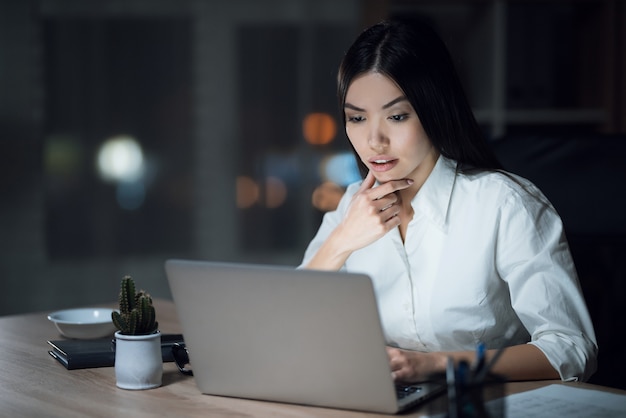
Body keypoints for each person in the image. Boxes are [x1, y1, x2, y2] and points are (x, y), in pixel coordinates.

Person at [299, 20, 597, 383]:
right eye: (357, 118)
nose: (374, 140)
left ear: (434, 110)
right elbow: (290, 328)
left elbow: (571, 348)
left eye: (396, 116)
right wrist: (341, 241)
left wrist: (438, 364)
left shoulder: (504, 205)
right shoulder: (351, 208)